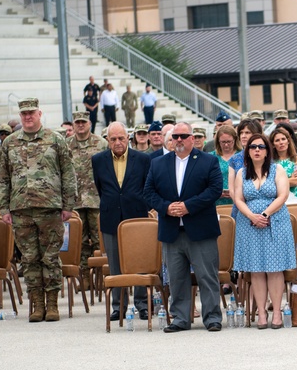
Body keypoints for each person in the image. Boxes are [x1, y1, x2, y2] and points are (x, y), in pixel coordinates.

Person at [0, 98, 77, 322]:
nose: (27, 117)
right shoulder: (10, 143)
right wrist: (4, 208)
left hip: (50, 208)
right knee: (30, 259)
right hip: (21, 209)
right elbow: (3, 177)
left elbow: (68, 173)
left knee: (50, 257)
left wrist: (68, 204)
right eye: (23, 114)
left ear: (40, 113)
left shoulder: (56, 140)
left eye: (31, 113)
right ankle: (37, 304)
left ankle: (52, 304)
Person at [143, 122, 224, 332]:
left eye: (183, 136)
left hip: (201, 230)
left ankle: (212, 317)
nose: (179, 140)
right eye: (175, 136)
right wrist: (167, 208)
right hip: (172, 230)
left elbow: (214, 190)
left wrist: (188, 206)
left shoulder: (208, 161)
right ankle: (180, 318)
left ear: (192, 138)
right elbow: (149, 192)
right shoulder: (158, 163)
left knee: (207, 276)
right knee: (176, 278)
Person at [232, 133, 297, 329]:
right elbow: (238, 199)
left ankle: (276, 312)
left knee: (275, 269)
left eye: (261, 147)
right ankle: (261, 313)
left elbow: (283, 195)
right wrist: (253, 216)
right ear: (248, 151)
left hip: (274, 221)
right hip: (249, 223)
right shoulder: (241, 173)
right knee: (257, 270)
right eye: (253, 147)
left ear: (268, 150)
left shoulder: (277, 170)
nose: (257, 150)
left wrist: (265, 214)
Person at [92, 122, 153, 320]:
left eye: (121, 138)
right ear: (107, 140)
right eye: (113, 139)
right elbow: (101, 188)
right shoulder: (98, 160)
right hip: (111, 218)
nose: (118, 142)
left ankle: (142, 304)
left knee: (140, 261)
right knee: (115, 263)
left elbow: (147, 186)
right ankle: (118, 306)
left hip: (136, 217)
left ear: (128, 138)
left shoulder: (143, 159)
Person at [67, 111, 106, 282]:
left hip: (97, 199)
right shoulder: (65, 144)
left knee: (99, 240)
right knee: (79, 242)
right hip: (75, 201)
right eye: (77, 122)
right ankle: (84, 278)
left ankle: (101, 277)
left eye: (83, 122)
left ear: (89, 123)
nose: (81, 125)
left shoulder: (101, 143)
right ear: (74, 125)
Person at [269, 125, 297, 200]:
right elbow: (268, 185)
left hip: (294, 198)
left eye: (283, 139)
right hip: (275, 200)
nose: (281, 142)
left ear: (288, 141)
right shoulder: (270, 162)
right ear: (273, 144)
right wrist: (289, 181)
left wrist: (277, 183)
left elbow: (296, 181)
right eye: (277, 140)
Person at [214, 125, 239, 206]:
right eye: (223, 142)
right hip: (217, 202)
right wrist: (216, 192)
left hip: (238, 201)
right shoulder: (211, 157)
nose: (226, 145)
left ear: (235, 140)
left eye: (229, 142)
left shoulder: (242, 155)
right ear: (218, 141)